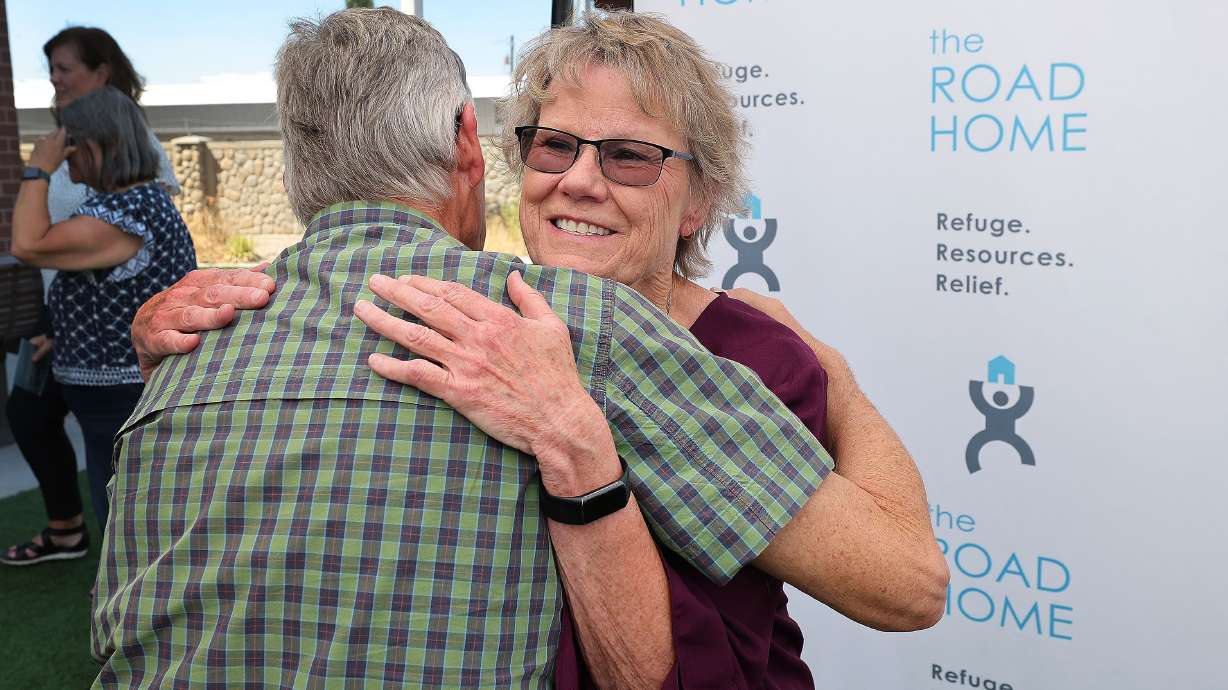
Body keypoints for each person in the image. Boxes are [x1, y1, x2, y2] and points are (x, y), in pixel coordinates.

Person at [125, 10, 948, 689]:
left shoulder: (752, 355)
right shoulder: (481, 313)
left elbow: (907, 584)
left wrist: (836, 377)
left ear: (697, 198)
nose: (581, 181)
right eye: (555, 146)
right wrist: (187, 337)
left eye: (630, 156)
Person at [2, 27, 180, 566]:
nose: (69, 162)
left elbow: (27, 244)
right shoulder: (129, 205)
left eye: (75, 146)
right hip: (106, 385)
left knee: (123, 510)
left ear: (104, 145)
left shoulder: (125, 214)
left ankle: (131, 609)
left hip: (119, 389)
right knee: (123, 501)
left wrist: (38, 166)